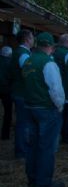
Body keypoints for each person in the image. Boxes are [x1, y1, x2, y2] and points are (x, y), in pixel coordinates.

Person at [22, 32, 65, 187]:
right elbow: (56, 90)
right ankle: (44, 182)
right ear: (50, 47)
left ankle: (32, 178)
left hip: (30, 107)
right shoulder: (48, 63)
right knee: (47, 147)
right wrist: (60, 106)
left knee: (32, 146)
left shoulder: (28, 61)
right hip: (46, 109)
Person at [11, 29, 34, 158]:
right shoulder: (23, 54)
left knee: (22, 122)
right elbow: (28, 73)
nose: (33, 40)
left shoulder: (18, 52)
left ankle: (21, 149)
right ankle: (22, 150)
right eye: (31, 37)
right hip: (22, 93)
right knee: (23, 123)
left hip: (18, 91)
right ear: (26, 39)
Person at [53, 34, 68, 144]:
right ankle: (65, 136)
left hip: (53, 87)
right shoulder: (67, 54)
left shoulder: (53, 52)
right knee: (67, 114)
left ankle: (57, 135)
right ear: (67, 42)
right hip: (65, 88)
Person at [0, 46, 13, 140]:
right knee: (8, 113)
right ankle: (5, 135)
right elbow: (11, 77)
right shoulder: (10, 63)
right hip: (6, 90)